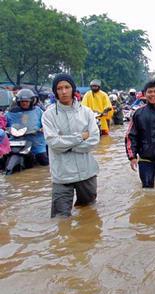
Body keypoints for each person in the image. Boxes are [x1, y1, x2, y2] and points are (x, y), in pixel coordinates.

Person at [42, 73, 100, 218]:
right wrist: (80, 137)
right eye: (59, 88)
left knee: (89, 214)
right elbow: (53, 143)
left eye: (67, 87)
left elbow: (93, 140)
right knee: (60, 219)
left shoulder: (86, 113)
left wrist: (66, 144)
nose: (63, 91)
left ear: (72, 89)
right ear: (55, 91)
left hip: (86, 172)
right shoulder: (48, 115)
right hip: (62, 175)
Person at [5, 89, 48, 166]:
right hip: (16, 141)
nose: (24, 103)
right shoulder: (11, 112)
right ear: (18, 101)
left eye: (26, 101)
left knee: (43, 160)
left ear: (31, 101)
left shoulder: (38, 111)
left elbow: (46, 122)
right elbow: (4, 123)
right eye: (22, 101)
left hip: (36, 142)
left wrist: (43, 128)